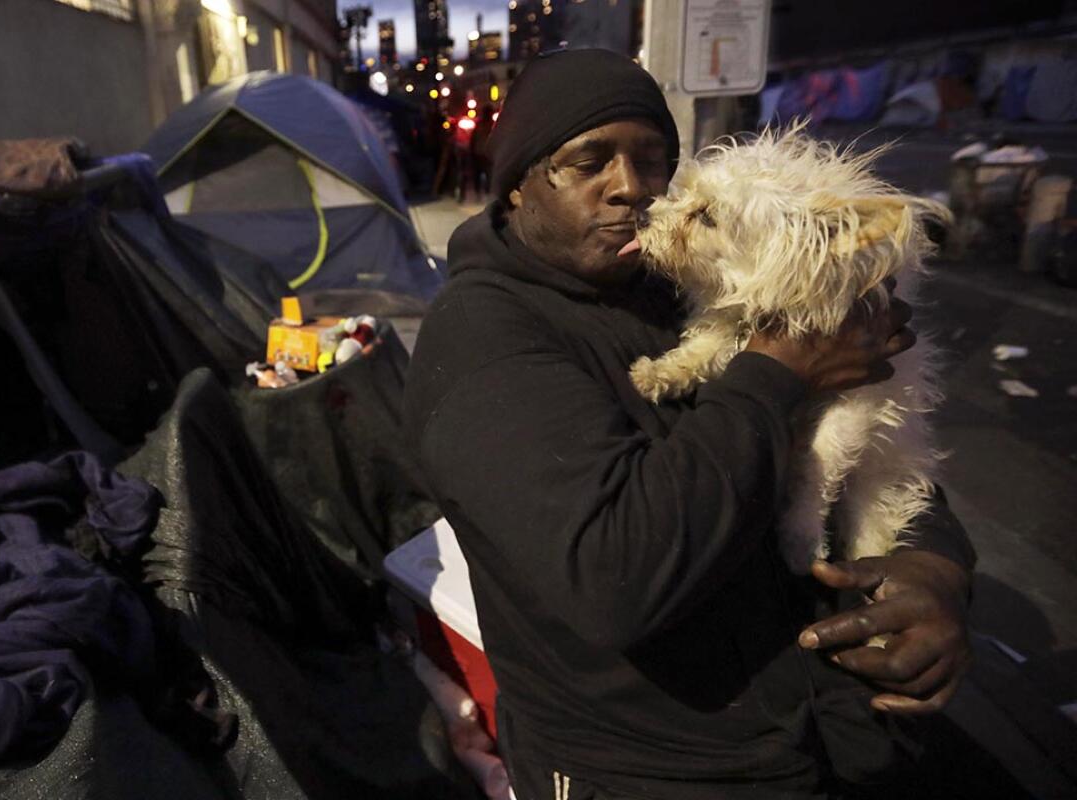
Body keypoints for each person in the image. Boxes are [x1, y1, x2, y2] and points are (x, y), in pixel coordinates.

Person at [404, 50, 988, 799]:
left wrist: (935, 571)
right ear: (519, 182)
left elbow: (882, 434)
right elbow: (616, 579)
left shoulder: (689, 275)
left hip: (837, 738)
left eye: (653, 161)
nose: (630, 188)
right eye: (588, 162)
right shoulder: (485, 341)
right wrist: (778, 373)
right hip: (661, 772)